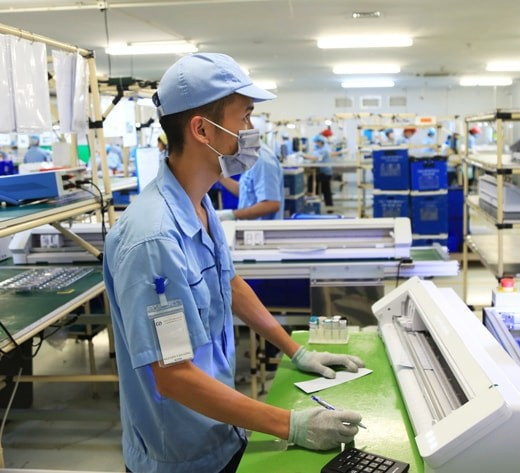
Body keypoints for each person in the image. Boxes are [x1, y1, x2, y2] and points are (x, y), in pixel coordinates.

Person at [102, 53, 364, 473]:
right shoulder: (154, 240)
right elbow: (172, 376)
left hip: (221, 427)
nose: (250, 130)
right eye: (243, 117)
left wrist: (295, 350)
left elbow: (229, 282)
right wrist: (290, 425)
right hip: (182, 454)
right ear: (202, 129)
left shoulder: (198, 204)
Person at [218, 135, 284, 221]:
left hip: (261, 230)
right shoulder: (250, 156)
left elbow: (271, 204)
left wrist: (233, 215)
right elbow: (246, 192)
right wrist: (219, 177)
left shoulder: (262, 159)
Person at [304, 134, 333, 207]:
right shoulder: (320, 149)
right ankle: (318, 203)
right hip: (322, 172)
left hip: (325, 173)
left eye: (316, 142)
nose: (316, 144)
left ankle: (315, 200)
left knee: (323, 188)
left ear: (320, 142)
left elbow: (317, 158)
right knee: (323, 189)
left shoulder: (324, 150)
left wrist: (305, 156)